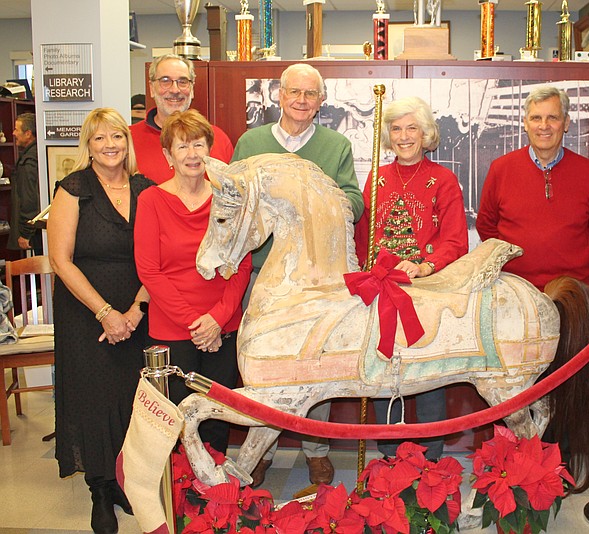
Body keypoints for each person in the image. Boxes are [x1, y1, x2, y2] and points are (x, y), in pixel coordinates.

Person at [233, 63, 364, 487]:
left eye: (311, 94)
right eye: (294, 92)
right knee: (263, 367)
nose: (302, 101)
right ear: (279, 95)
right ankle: (263, 447)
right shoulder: (251, 142)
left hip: (316, 280)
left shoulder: (336, 145)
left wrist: (323, 203)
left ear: (321, 100)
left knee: (315, 366)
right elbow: (235, 196)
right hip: (263, 275)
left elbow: (354, 201)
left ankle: (317, 450)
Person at [49, 108, 154, 534]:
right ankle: (99, 488)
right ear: (87, 146)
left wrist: (135, 310)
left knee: (133, 398)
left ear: (127, 144)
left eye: (117, 137)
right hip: (85, 312)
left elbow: (159, 258)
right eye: (99, 139)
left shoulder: (146, 189)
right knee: (94, 399)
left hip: (139, 309)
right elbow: (60, 259)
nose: (110, 145)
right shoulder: (73, 190)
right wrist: (106, 313)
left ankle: (124, 480)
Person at [354, 96, 468, 461]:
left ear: (426, 133)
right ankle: (390, 459)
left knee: (428, 376)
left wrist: (425, 266)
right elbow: (363, 235)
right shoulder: (376, 177)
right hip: (382, 289)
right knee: (384, 372)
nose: (404, 137)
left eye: (411, 128)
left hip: (425, 290)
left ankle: (432, 460)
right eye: (396, 129)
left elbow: (455, 240)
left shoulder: (443, 180)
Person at [134, 109, 252, 455]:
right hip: (173, 329)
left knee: (217, 418)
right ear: (167, 155)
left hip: (223, 326)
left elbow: (241, 264)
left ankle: (215, 501)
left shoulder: (229, 200)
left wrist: (216, 319)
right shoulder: (151, 200)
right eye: (182, 146)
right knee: (176, 420)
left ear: (210, 151)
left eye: (198, 145)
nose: (192, 154)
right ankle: (183, 495)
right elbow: (149, 271)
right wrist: (195, 324)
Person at [476, 86, 589, 291]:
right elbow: (486, 226)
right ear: (525, 124)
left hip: (572, 291)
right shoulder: (501, 169)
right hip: (514, 289)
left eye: (552, 118)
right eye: (536, 118)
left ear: (565, 123)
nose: (544, 126)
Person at [130, 54, 233, 183]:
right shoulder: (128, 140)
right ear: (151, 88)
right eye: (165, 81)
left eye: (183, 82)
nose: (175, 90)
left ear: (192, 88)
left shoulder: (218, 138)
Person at [10, 112, 42, 253]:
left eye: (17, 129)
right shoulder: (38, 154)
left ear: (28, 133)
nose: (13, 133)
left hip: (35, 232)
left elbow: (29, 199)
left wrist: (25, 233)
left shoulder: (28, 162)